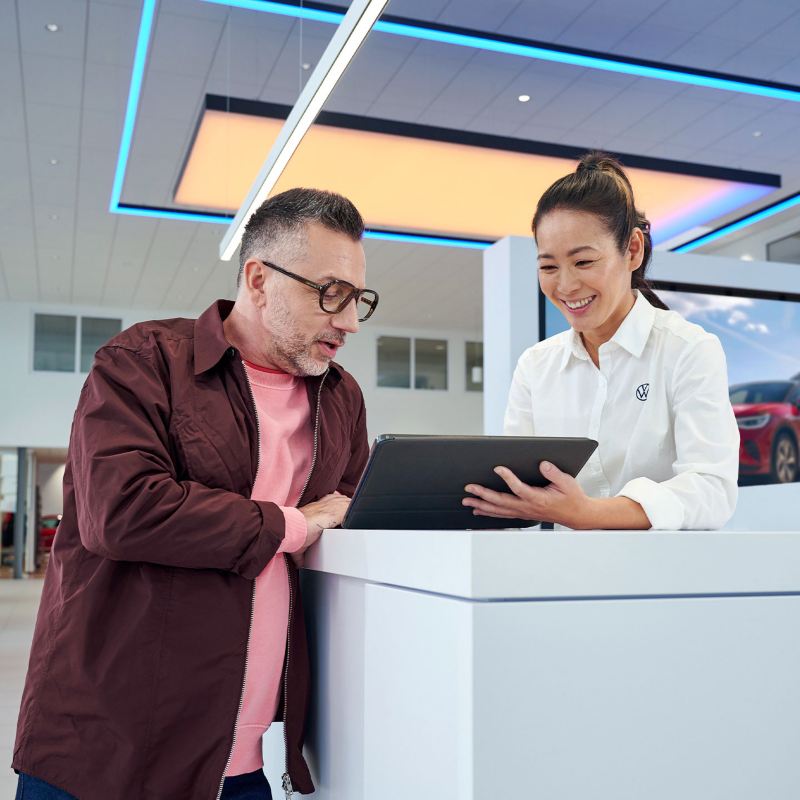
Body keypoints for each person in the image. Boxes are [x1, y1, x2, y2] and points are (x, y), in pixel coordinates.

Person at [13, 188, 378, 800]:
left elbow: (351, 521)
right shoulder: (143, 362)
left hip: (241, 761)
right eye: (329, 293)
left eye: (359, 299)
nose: (348, 321)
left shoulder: (341, 398)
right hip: (106, 751)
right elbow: (123, 511)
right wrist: (293, 523)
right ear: (258, 279)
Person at [463, 153, 739, 530]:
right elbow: (517, 493)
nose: (565, 285)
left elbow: (712, 491)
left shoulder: (687, 349)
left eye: (583, 262)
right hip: (559, 580)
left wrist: (588, 514)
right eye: (548, 266)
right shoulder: (536, 365)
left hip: (665, 580)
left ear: (633, 251)